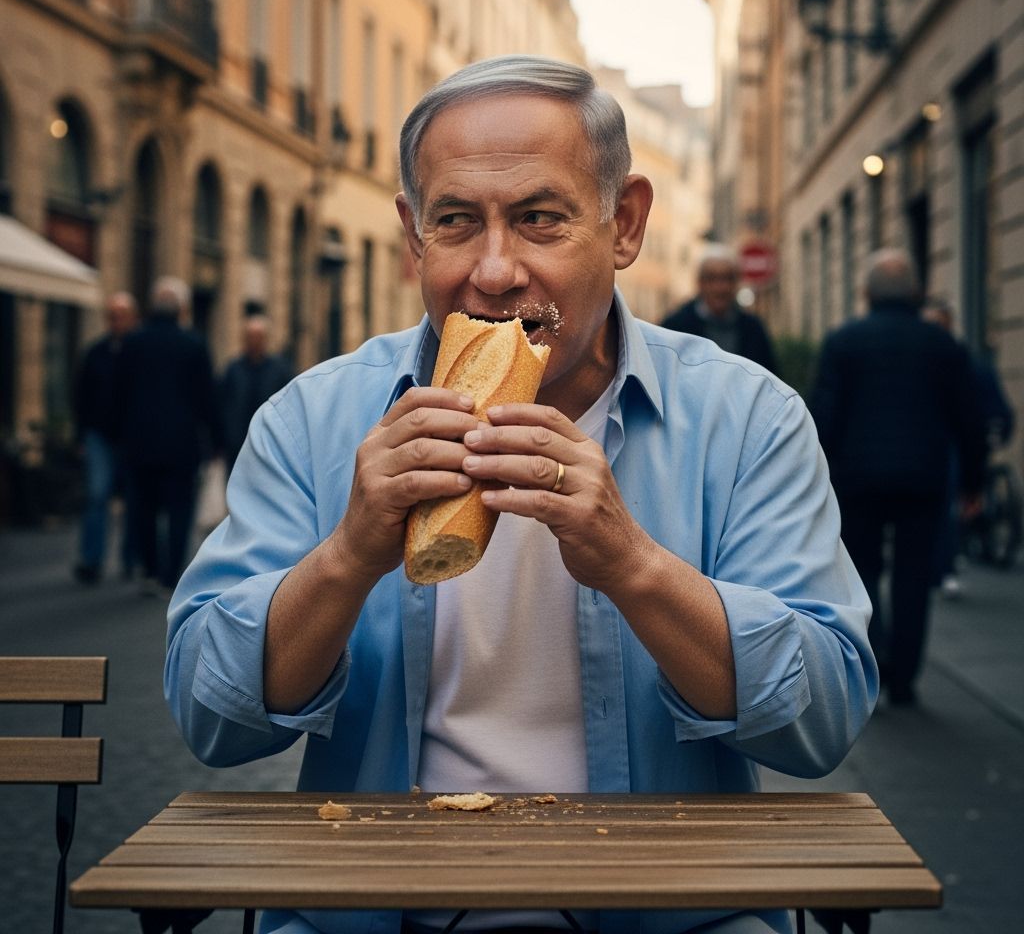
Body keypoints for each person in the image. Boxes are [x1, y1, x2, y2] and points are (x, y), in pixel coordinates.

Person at [166, 56, 876, 934]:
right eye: (457, 222)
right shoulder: (313, 418)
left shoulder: (747, 418)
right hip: (376, 914)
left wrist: (634, 565)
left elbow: (823, 722)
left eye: (540, 219)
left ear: (624, 225)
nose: (496, 272)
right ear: (414, 237)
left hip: (673, 916)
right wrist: (346, 558)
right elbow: (212, 719)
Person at [810, 250, 986, 706]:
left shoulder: (844, 342)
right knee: (914, 576)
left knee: (862, 570)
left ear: (866, 293)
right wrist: (973, 483)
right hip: (923, 480)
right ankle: (905, 677)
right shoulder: (942, 345)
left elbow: (824, 416)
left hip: (858, 479)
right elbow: (970, 420)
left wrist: (817, 478)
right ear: (917, 293)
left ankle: (875, 659)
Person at [115, 277, 221, 596]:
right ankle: (171, 573)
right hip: (181, 444)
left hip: (140, 443)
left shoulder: (133, 342)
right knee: (179, 509)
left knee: (143, 509)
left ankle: (149, 568)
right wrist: (216, 441)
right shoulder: (193, 344)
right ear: (182, 310)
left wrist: (120, 436)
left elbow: (118, 394)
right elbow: (207, 398)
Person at [921, 297, 1015, 594]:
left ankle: (946, 565)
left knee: (947, 501)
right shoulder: (940, 361)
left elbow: (985, 409)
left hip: (957, 443)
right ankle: (943, 564)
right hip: (944, 444)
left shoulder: (965, 363)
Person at [72, 291, 138, 583]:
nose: (116, 321)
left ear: (132, 318)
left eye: (121, 316)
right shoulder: (96, 352)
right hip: (99, 435)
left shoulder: (139, 352)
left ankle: (131, 557)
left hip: (131, 437)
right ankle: (91, 559)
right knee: (97, 495)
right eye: (112, 316)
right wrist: (81, 435)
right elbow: (81, 395)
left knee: (133, 499)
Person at [660, 246, 778, 373]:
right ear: (700, 283)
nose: (720, 288)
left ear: (736, 283)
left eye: (727, 278)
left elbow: (769, 376)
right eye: (712, 279)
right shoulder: (675, 327)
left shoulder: (753, 329)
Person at [219, 314, 294, 472]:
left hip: (269, 445)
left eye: (258, 337)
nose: (254, 341)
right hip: (237, 445)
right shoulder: (234, 369)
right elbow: (223, 404)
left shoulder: (280, 371)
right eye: (250, 337)